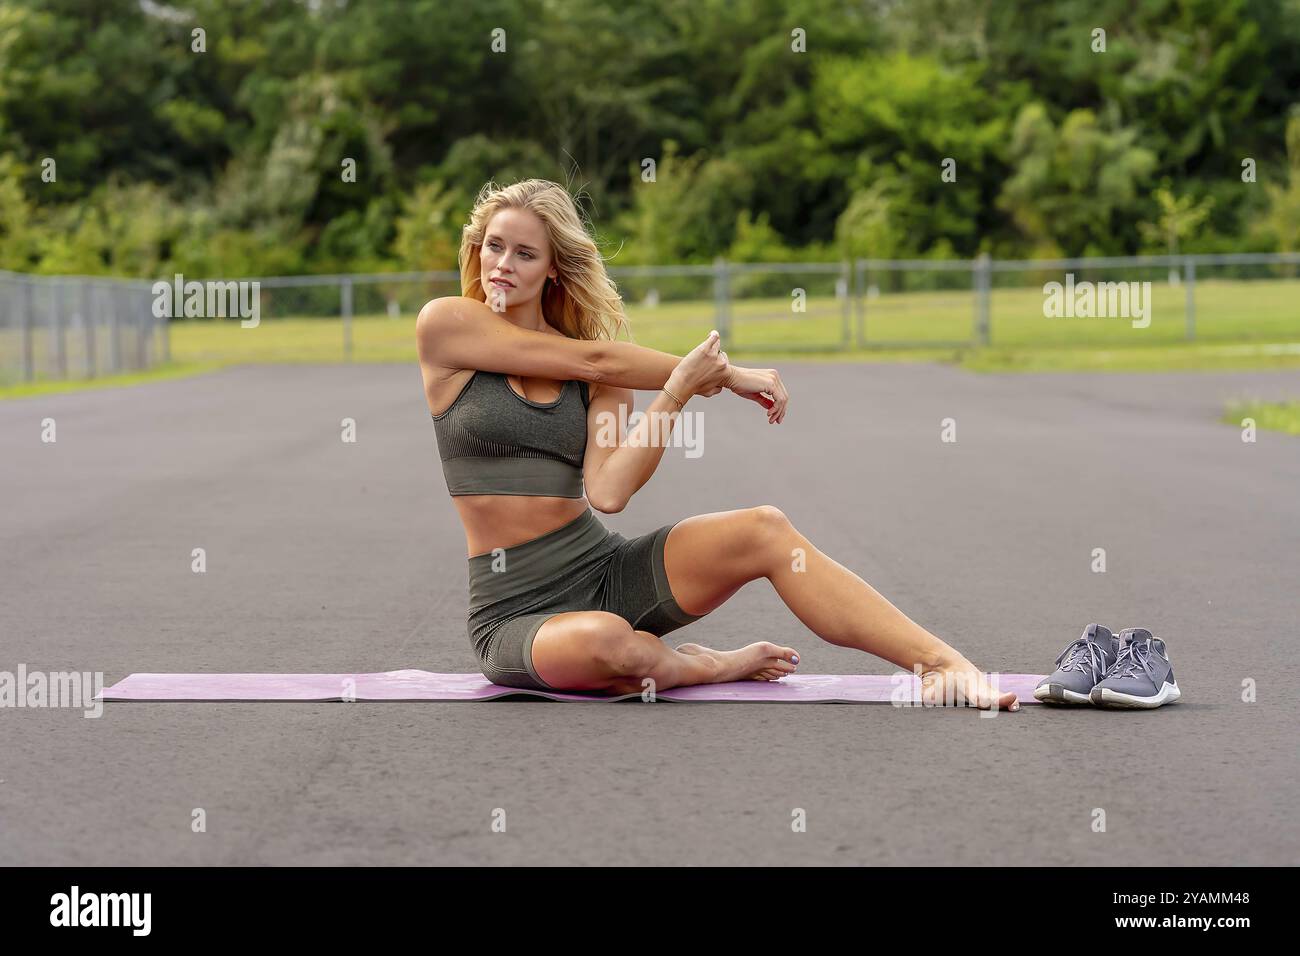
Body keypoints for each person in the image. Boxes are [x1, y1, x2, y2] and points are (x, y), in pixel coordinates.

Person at [416, 179, 1018, 711]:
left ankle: (942, 662)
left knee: (765, 529)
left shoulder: (603, 377)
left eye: (525, 253)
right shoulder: (446, 326)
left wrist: (676, 393)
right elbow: (589, 354)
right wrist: (726, 376)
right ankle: (709, 664)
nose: (503, 265)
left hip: (600, 570)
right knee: (609, 643)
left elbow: (610, 491)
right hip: (513, 612)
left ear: (553, 267)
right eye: (494, 246)